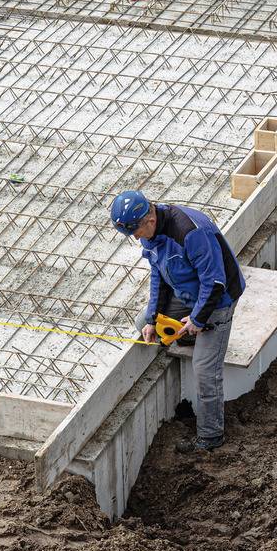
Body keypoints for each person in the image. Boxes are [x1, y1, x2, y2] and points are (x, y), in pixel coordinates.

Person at [110, 190, 245, 452]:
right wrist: (152, 318)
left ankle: (210, 438)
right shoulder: (152, 234)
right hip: (186, 292)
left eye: (136, 232)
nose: (136, 239)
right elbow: (158, 276)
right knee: (143, 324)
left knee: (204, 370)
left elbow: (215, 282)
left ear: (149, 220)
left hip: (217, 301)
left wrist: (197, 319)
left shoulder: (190, 233)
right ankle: (192, 335)